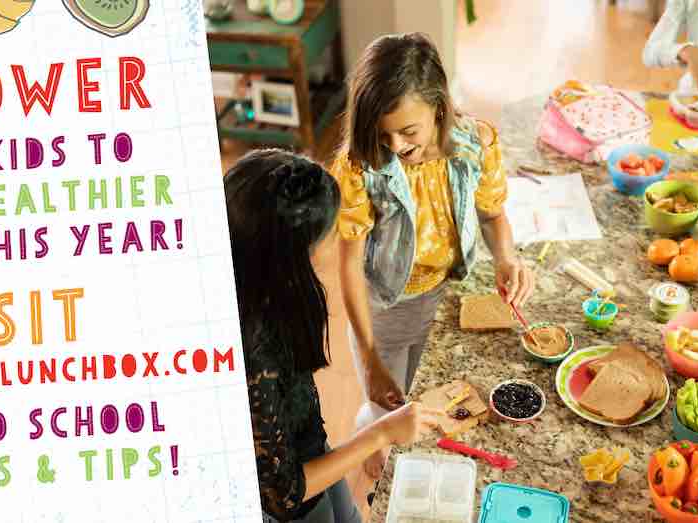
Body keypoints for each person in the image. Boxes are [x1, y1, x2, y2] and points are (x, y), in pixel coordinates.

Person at [331, 32, 534, 478]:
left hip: (446, 302)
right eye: (383, 135)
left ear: (439, 107)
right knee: (386, 409)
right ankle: (371, 447)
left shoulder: (477, 143)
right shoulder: (358, 166)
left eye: (408, 132)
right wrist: (369, 359)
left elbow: (493, 215)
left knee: (432, 406)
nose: (397, 148)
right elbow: (348, 264)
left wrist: (506, 259)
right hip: (383, 310)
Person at [225, 149, 440, 523]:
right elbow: (284, 495)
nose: (341, 239)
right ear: (293, 258)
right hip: (292, 500)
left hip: (308, 449)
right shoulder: (253, 351)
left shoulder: (262, 286)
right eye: (332, 232)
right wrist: (381, 434)